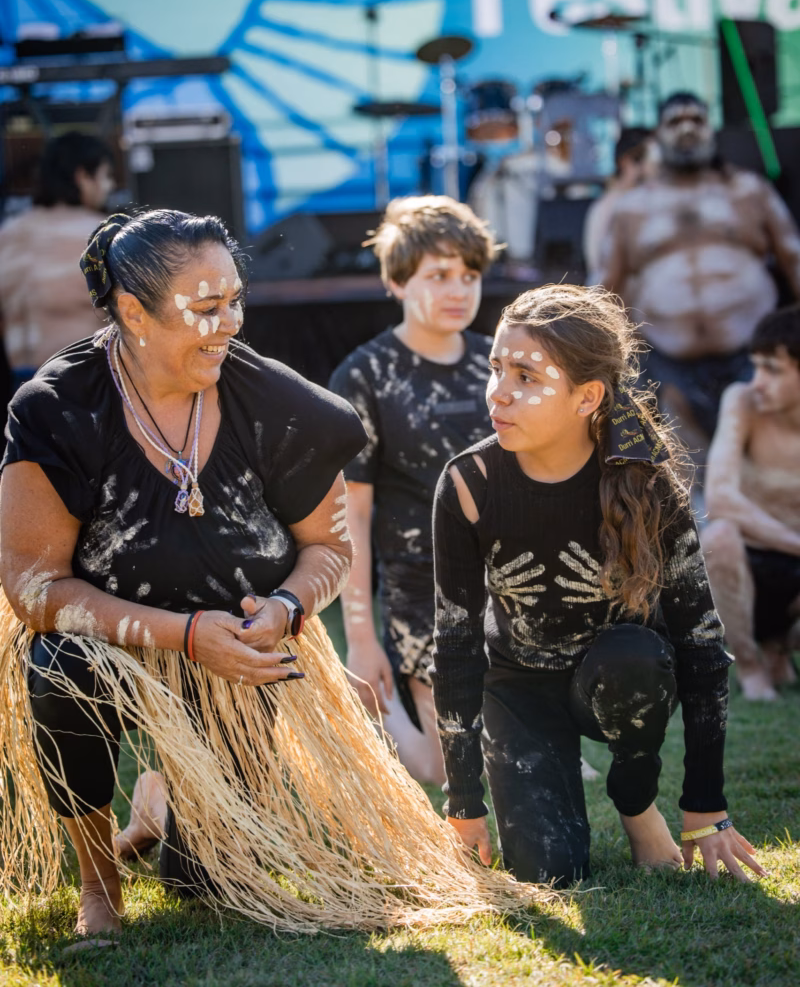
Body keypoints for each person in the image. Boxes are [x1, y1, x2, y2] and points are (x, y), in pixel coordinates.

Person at [0, 208, 541, 941]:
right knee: (57, 666)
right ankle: (100, 881)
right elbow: (34, 588)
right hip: (111, 647)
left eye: (235, 301)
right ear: (133, 312)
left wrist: (286, 606)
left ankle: (163, 808)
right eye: (205, 308)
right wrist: (184, 634)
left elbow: (331, 547)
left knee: (204, 884)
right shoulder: (58, 410)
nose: (229, 324)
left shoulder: (279, 406)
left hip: (237, 662)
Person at [431, 283, 766, 887]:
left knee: (634, 657)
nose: (498, 392)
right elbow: (454, 646)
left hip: (622, 675)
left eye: (526, 377)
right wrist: (463, 805)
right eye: (496, 368)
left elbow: (701, 644)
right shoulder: (467, 484)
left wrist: (706, 807)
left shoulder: (647, 482)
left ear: (587, 397)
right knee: (549, 874)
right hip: (519, 686)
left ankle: (635, 802)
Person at [329, 196, 496, 784]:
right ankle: (361, 712)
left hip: (513, 587)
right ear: (398, 281)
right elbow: (352, 515)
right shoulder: (363, 376)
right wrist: (360, 640)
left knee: (516, 756)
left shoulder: (500, 364)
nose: (458, 290)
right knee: (439, 768)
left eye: (469, 276)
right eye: (439, 275)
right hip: (423, 594)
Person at [597, 92, 800, 450]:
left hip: (753, 362)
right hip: (669, 371)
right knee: (690, 474)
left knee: (767, 467)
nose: (687, 128)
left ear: (711, 130)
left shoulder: (749, 191)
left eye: (697, 120)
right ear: (659, 135)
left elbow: (794, 259)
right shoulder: (632, 208)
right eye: (675, 121)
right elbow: (603, 288)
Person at [703, 304, 800, 702]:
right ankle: (748, 664)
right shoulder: (742, 400)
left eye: (772, 370)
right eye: (756, 367)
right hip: (747, 565)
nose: (757, 382)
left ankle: (780, 650)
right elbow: (719, 498)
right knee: (718, 536)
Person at [0, 131, 115, 391]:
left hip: (18, 385)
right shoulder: (96, 234)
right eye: (106, 176)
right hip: (78, 380)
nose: (109, 187)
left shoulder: (7, 234)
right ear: (83, 177)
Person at [583, 127, 653, 279]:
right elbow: (599, 269)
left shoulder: (651, 201)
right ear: (626, 162)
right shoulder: (608, 208)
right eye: (650, 159)